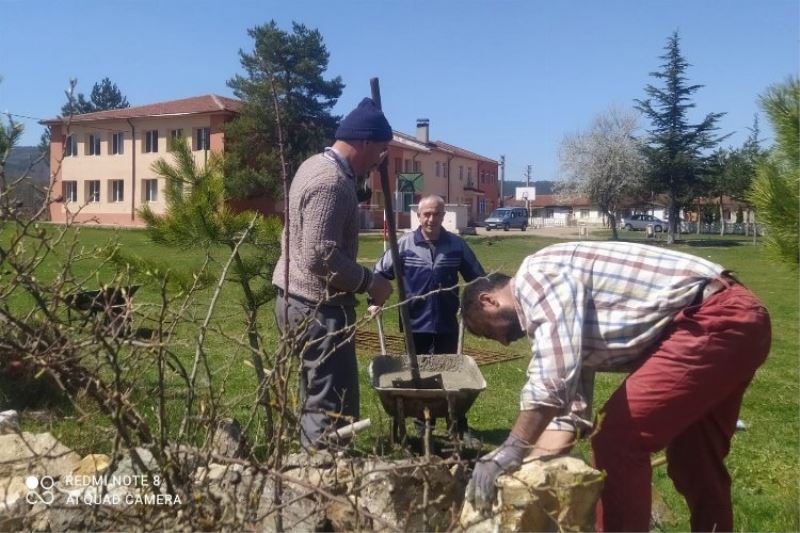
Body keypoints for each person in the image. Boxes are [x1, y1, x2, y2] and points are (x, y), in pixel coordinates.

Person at [461, 241, 771, 532]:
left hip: (713, 318)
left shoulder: (535, 275)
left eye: (489, 332)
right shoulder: (560, 314)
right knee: (694, 460)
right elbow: (567, 413)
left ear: (488, 300)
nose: (502, 341)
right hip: (738, 322)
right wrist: (527, 469)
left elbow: (551, 379)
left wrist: (510, 449)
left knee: (617, 439)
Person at [273, 97, 393, 450]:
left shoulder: (313, 165)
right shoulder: (331, 183)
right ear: (365, 142)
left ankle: (308, 469)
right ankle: (327, 483)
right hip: (317, 309)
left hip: (294, 298)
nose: (379, 161)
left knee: (314, 393)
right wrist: (370, 282)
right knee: (332, 407)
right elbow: (320, 255)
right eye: (380, 151)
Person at [370, 195, 486, 446]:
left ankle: (457, 426)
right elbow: (379, 274)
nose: (431, 219)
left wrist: (475, 306)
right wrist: (375, 301)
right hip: (415, 324)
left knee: (453, 377)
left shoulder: (456, 246)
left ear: (444, 216)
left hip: (447, 322)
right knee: (418, 377)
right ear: (419, 216)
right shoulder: (403, 246)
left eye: (436, 214)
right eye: (426, 214)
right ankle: (424, 427)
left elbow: (477, 278)